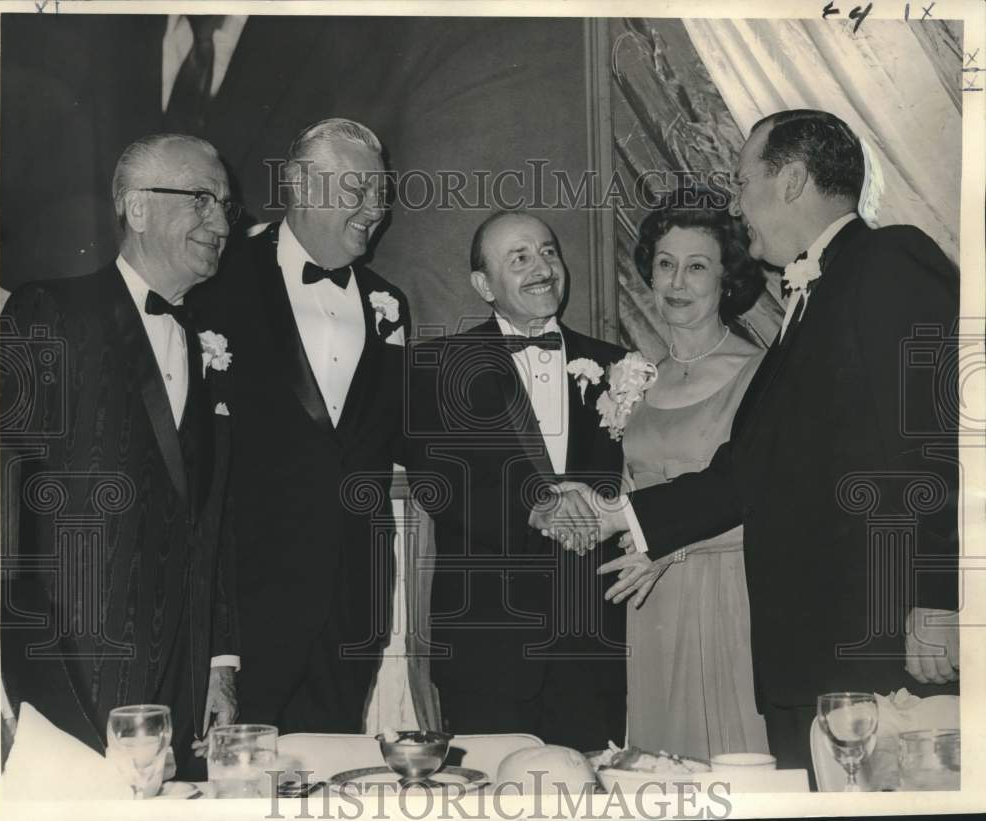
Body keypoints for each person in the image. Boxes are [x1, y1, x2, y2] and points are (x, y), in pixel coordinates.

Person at [532, 110, 960, 775]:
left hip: (871, 635)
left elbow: (934, 436)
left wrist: (938, 595)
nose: (736, 204)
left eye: (741, 181)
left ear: (790, 180)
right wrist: (620, 512)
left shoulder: (887, 260)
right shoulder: (810, 295)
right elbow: (748, 468)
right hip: (806, 646)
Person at [1, 134, 240, 779]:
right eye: (201, 200)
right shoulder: (49, 310)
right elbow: (10, 500)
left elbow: (212, 518)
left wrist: (220, 664)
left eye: (224, 205)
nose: (220, 222)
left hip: (184, 680)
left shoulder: (211, 344)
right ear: (137, 209)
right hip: (77, 672)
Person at [194, 118, 409, 733]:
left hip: (353, 598)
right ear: (299, 184)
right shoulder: (218, 278)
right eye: (358, 191)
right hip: (246, 604)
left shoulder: (387, 301)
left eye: (382, 192)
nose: (377, 210)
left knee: (332, 772)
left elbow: (405, 435)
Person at [403, 210, 630, 751]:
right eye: (519, 258)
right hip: (489, 642)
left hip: (591, 641)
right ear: (484, 284)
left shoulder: (619, 367)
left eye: (549, 251)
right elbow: (436, 482)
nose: (541, 267)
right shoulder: (436, 366)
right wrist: (532, 506)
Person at [597, 190, 769, 760]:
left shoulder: (759, 374)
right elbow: (629, 495)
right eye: (665, 264)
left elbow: (767, 501)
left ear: (727, 280)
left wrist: (669, 548)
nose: (677, 282)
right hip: (651, 603)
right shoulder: (642, 380)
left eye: (697, 267)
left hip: (729, 596)